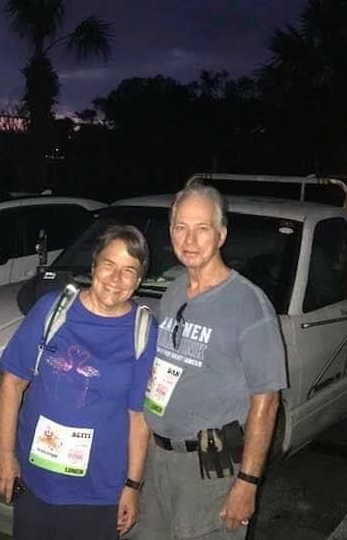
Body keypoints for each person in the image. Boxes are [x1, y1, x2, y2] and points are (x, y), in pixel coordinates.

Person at [135, 179, 287, 540]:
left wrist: (247, 482)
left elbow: (266, 401)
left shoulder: (249, 305)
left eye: (202, 228)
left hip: (209, 469)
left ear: (221, 235)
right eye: (181, 227)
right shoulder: (173, 291)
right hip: (158, 461)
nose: (190, 240)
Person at [0, 224, 158, 540]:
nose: (116, 278)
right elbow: (11, 384)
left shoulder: (144, 331)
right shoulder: (52, 310)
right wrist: (4, 454)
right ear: (94, 266)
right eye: (109, 264)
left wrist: (132, 486)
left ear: (138, 281)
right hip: (36, 480)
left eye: (129, 271)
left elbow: (138, 417)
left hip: (98, 492)